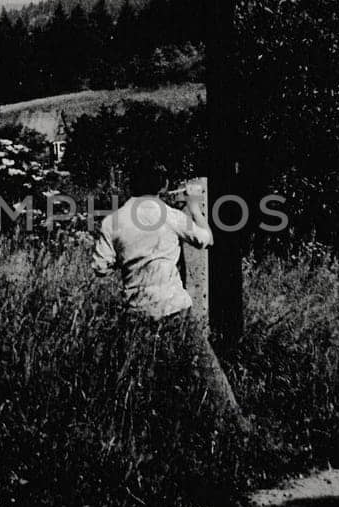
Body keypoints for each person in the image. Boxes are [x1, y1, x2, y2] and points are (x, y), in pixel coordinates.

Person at [92, 161, 249, 433]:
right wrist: (194, 207)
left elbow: (100, 268)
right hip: (174, 307)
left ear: (132, 184)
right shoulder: (169, 215)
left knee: (140, 377)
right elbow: (205, 239)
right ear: (163, 186)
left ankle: (137, 432)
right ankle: (236, 427)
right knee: (206, 372)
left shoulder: (112, 221)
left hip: (137, 309)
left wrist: (130, 257)